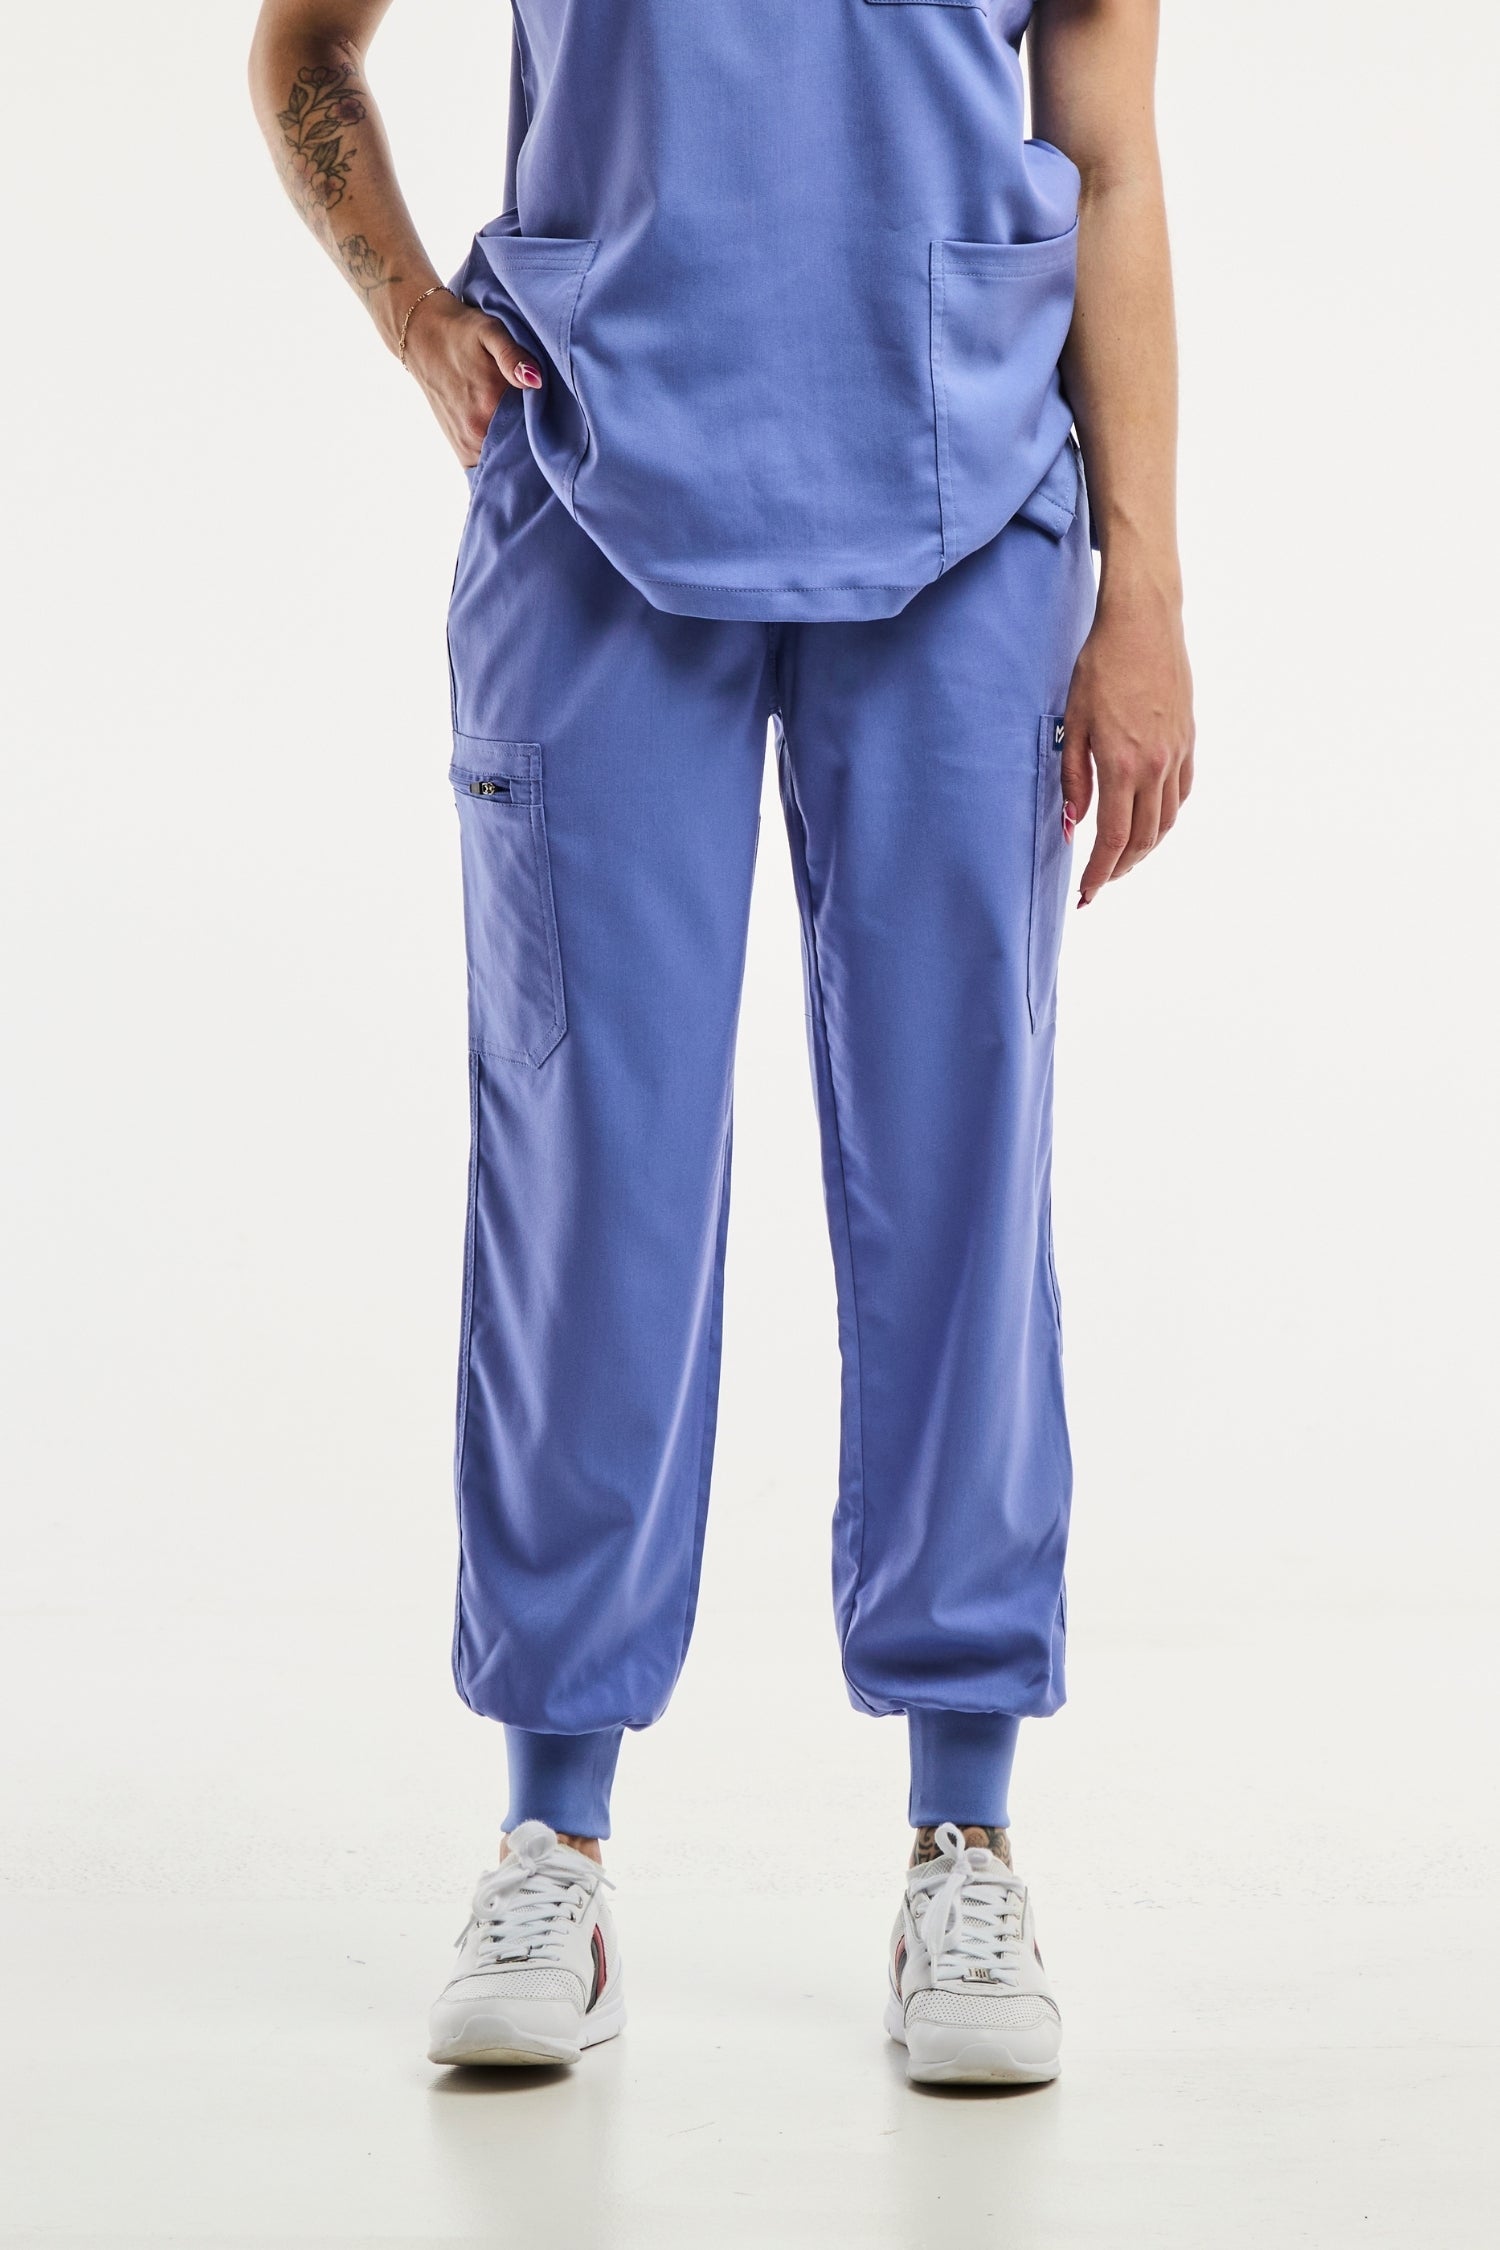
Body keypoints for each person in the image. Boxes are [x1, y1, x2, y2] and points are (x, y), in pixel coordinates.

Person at [250, 0, 1193, 2087]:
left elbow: (1111, 153)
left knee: (961, 1168)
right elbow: (306, 45)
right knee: (593, 1176)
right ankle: (553, 1838)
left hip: (965, 503)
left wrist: (1147, 587)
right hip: (597, 500)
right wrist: (413, 315)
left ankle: (966, 1835)